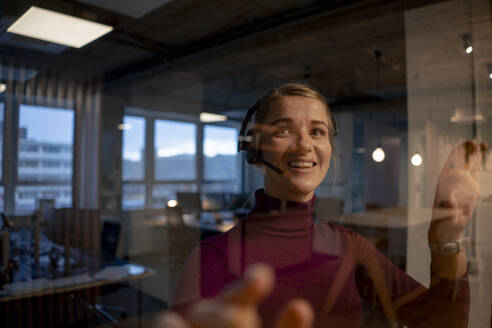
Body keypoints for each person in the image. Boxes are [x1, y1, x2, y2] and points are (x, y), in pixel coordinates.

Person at [161, 83, 480, 328]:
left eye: (317, 131)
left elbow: (442, 321)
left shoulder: (347, 245)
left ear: (329, 149)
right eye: (284, 130)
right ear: (255, 151)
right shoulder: (212, 259)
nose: (304, 144)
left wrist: (444, 236)